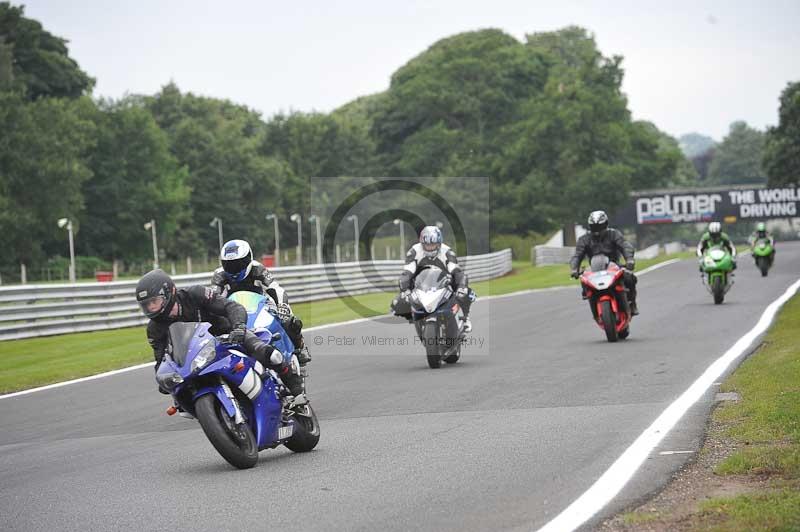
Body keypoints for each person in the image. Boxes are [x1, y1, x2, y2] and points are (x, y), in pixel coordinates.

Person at [136, 268, 303, 396]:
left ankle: (294, 386)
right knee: (180, 396)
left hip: (227, 335)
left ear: (169, 292)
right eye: (146, 305)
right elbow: (161, 359)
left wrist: (238, 327)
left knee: (268, 353)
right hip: (197, 357)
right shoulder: (154, 329)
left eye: (154, 302)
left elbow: (231, 306)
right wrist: (163, 379)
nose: (151, 308)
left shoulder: (194, 294)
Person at [210, 239, 309, 365]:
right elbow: (214, 297)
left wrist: (282, 306)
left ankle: (300, 348)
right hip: (233, 310)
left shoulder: (258, 269)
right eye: (229, 265)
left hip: (260, 306)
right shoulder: (219, 275)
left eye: (239, 264)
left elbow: (275, 289)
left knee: (288, 319)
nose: (234, 270)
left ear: (248, 259)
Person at [398, 225, 475, 332]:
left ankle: (466, 318)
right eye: (427, 245)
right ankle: (414, 315)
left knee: (466, 292)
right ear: (422, 243)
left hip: (443, 281)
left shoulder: (447, 252)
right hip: (421, 283)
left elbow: (456, 271)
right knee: (400, 300)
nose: (430, 247)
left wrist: (462, 287)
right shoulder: (414, 251)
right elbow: (407, 272)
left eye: (433, 244)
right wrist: (404, 290)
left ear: (439, 243)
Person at [569, 210, 639, 315]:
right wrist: (574, 269)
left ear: (606, 224)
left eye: (600, 227)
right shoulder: (584, 239)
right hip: (594, 269)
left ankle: (632, 303)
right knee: (583, 280)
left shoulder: (614, 234)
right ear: (590, 226)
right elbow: (577, 256)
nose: (597, 231)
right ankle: (594, 305)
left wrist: (629, 259)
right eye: (594, 227)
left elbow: (625, 246)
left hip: (614, 267)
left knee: (630, 278)